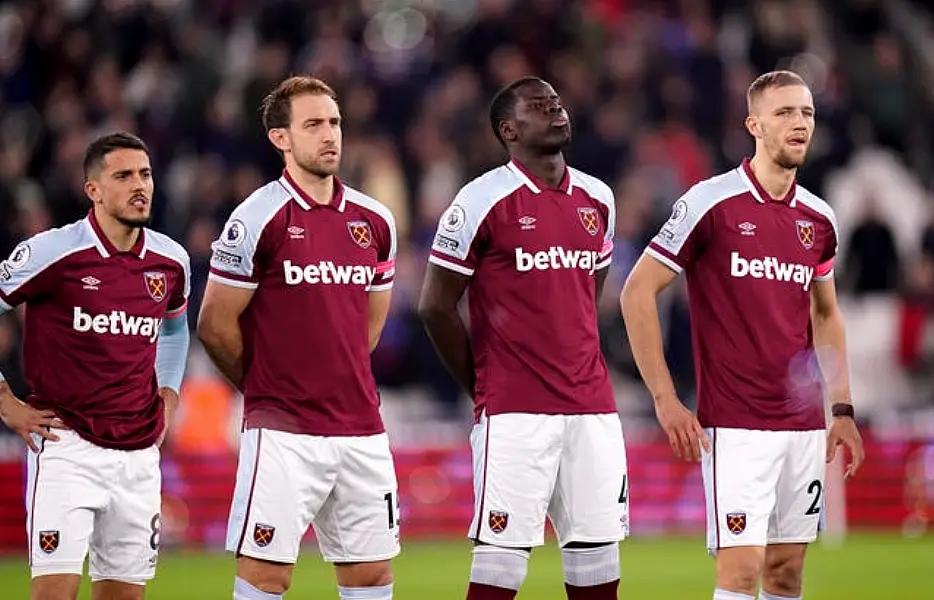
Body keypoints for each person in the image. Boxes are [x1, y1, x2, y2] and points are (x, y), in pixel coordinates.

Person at [620, 70, 865, 600]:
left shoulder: (818, 220)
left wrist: (841, 409)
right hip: (735, 426)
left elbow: (826, 315)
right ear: (753, 124)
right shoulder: (710, 203)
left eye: (807, 113)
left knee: (785, 574)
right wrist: (665, 399)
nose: (800, 123)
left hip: (801, 426)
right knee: (740, 571)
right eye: (784, 113)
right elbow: (637, 291)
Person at [418, 76, 627, 600]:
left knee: (598, 557)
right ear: (509, 130)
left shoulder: (598, 199)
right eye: (539, 106)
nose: (556, 110)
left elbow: (586, 293)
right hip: (515, 411)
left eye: (557, 102)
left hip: (593, 408)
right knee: (502, 564)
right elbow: (434, 305)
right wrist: (483, 384)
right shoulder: (481, 200)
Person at [197, 76, 399, 600]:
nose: (329, 134)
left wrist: (341, 372)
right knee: (267, 575)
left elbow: (368, 326)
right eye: (313, 124)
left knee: (371, 574)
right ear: (280, 138)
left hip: (361, 427)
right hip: (283, 431)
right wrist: (265, 385)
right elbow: (214, 323)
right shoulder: (258, 217)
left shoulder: (374, 221)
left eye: (334, 122)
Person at [0, 131, 191, 600]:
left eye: (145, 174)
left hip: (139, 454)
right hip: (66, 445)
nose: (139, 185)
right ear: (94, 190)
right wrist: (6, 402)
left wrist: (168, 391)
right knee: (54, 594)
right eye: (123, 176)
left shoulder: (171, 261)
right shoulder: (53, 252)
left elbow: (174, 329)